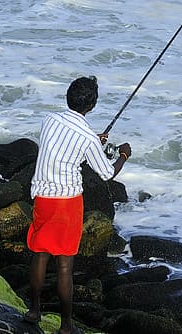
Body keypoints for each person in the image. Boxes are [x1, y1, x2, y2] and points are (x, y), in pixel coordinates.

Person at [24, 76, 132, 334]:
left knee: (40, 253)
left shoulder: (48, 120)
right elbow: (107, 173)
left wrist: (93, 141)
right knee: (64, 265)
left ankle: (34, 311)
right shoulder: (88, 139)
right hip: (67, 203)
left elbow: (62, 144)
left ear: (68, 97)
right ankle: (66, 325)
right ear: (92, 105)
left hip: (42, 197)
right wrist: (124, 155)